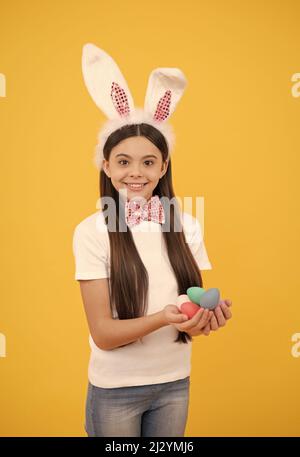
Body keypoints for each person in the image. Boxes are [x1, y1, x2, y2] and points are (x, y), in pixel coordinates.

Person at [72, 43, 232, 437]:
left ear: (163, 167)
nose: (135, 173)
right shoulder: (91, 232)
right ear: (106, 166)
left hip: (175, 383)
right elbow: (104, 335)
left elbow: (188, 307)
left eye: (148, 162)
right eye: (123, 161)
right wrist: (163, 317)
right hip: (115, 392)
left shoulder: (187, 226)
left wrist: (205, 320)